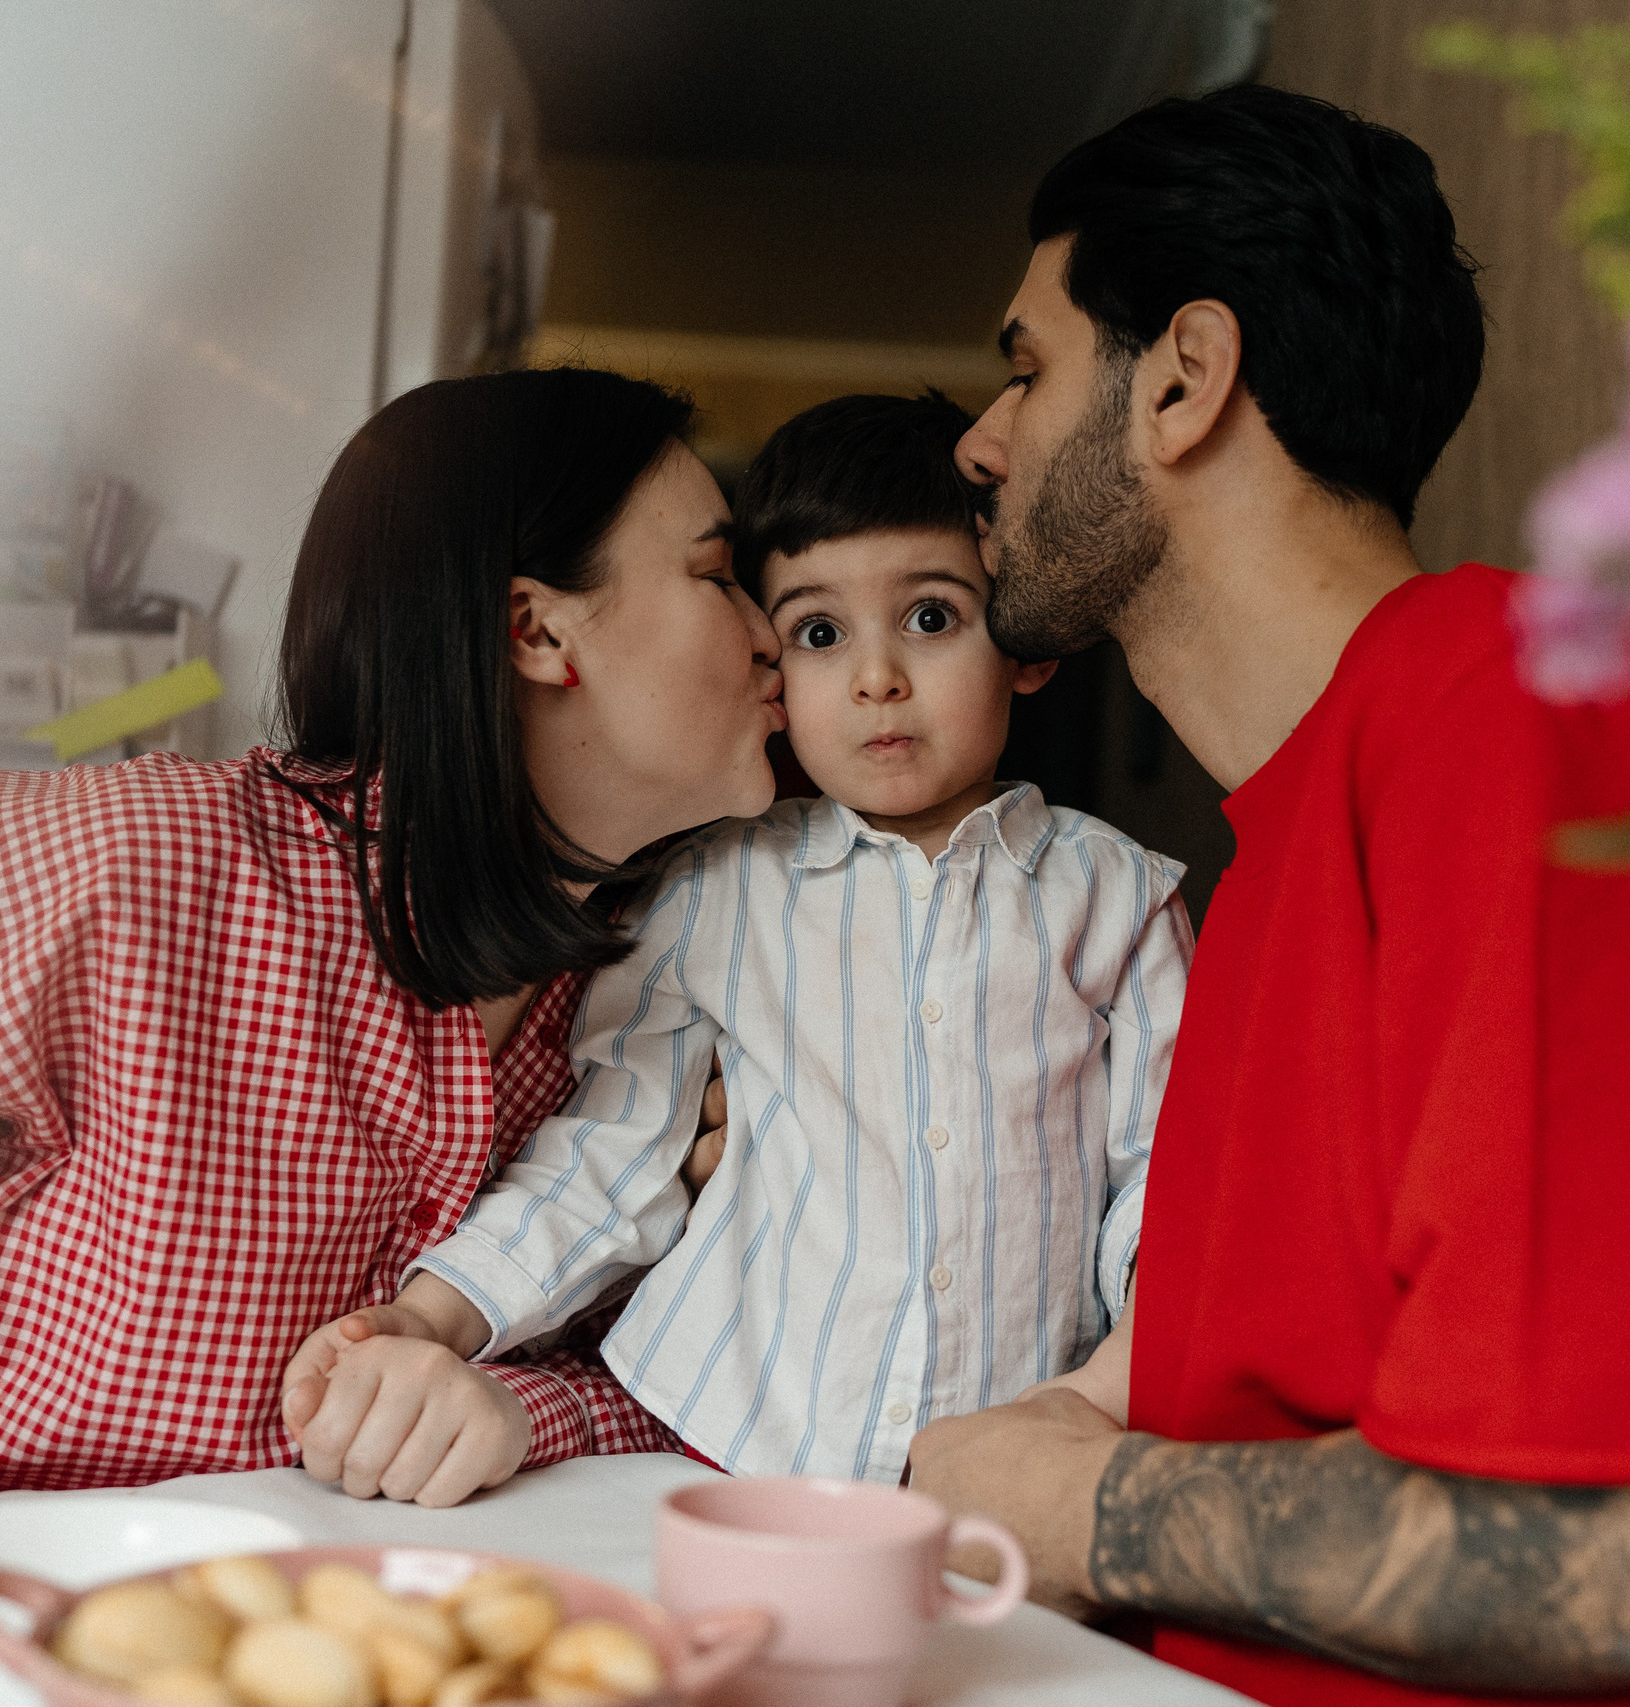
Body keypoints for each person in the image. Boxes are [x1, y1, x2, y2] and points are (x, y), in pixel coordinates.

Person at [905, 85, 1630, 1707]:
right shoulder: (1282, 858)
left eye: (1026, 366)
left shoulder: (1542, 711)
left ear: (1184, 378)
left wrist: (1076, 1504)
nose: (981, 441)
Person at [0, 367, 785, 1541]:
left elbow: (722, 1388)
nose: (775, 634)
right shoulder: (125, 872)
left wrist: (512, 1413)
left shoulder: (688, 990)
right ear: (534, 629)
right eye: (720, 576)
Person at [278, 391, 1187, 1490]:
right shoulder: (716, 882)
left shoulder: (1122, 898)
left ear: (1026, 646)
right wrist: (436, 1315)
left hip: (1006, 1465)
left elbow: (1165, 1187)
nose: (877, 677)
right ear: (775, 670)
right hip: (729, 1450)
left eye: (931, 617)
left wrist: (1093, 1409)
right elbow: (613, 1148)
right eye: (818, 634)